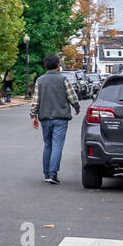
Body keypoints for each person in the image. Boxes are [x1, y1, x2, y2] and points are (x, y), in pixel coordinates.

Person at [29, 54, 79, 184]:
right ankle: (52, 173)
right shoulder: (63, 79)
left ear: (45, 66)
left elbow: (36, 100)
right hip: (61, 117)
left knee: (48, 144)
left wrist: (33, 116)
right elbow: (72, 97)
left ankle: (46, 173)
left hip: (45, 117)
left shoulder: (40, 80)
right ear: (58, 66)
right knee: (57, 144)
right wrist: (76, 107)